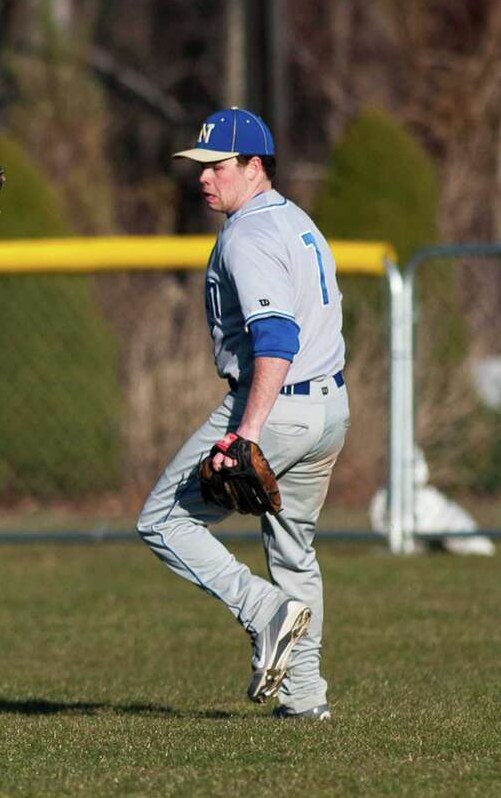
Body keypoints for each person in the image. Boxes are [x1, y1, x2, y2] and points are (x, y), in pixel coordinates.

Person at [136, 108, 348, 721]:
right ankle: (305, 699)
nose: (204, 177)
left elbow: (275, 337)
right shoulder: (296, 221)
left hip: (273, 405)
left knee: (163, 522)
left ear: (255, 166)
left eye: (217, 166)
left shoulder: (248, 234)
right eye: (200, 166)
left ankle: (263, 611)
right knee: (293, 550)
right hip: (329, 406)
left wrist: (246, 433)